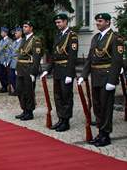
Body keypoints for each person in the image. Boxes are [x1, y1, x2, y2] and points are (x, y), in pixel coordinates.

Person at [78, 13, 124, 147]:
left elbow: (117, 61)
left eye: (100, 21)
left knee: (106, 107)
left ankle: (106, 135)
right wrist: (83, 75)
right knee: (97, 106)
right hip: (96, 76)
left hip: (107, 77)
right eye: (97, 21)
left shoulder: (115, 38)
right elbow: (90, 59)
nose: (97, 23)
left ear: (108, 22)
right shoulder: (96, 37)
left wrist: (112, 80)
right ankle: (100, 132)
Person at [40, 13, 78, 132]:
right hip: (57, 70)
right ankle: (61, 118)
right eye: (56, 23)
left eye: (59, 22)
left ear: (66, 21)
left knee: (66, 96)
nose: (58, 24)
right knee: (58, 96)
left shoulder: (72, 36)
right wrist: (47, 70)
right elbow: (54, 55)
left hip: (66, 69)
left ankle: (66, 121)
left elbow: (72, 56)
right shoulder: (58, 35)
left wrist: (70, 74)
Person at [15, 21, 43, 121]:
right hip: (21, 68)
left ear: (31, 28)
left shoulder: (36, 40)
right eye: (23, 27)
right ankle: (24, 109)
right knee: (19, 90)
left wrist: (34, 72)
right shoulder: (23, 40)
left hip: (29, 68)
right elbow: (20, 55)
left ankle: (29, 112)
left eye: (26, 27)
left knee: (29, 91)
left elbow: (36, 57)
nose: (24, 28)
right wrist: (16, 68)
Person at [8, 27, 24, 96]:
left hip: (18, 62)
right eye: (15, 33)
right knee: (12, 77)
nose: (15, 34)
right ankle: (16, 89)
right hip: (12, 62)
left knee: (18, 78)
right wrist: (8, 61)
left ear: (20, 33)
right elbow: (10, 52)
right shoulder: (14, 42)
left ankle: (19, 90)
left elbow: (16, 52)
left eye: (16, 32)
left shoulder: (23, 41)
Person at [0, 27, 13, 93]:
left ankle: (8, 87)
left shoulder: (9, 41)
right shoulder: (1, 41)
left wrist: (8, 61)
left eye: (2, 32)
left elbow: (10, 52)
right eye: (1, 32)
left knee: (7, 74)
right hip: (1, 60)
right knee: (0, 73)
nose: (1, 33)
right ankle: (4, 86)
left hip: (6, 60)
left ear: (5, 33)